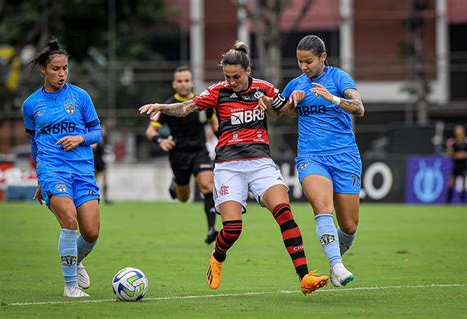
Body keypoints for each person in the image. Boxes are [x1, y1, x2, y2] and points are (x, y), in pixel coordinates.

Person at [140, 41, 329, 295]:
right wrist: (161, 107)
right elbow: (187, 108)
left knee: (284, 212)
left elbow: (285, 112)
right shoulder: (218, 91)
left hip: (260, 162)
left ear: (248, 71)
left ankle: (304, 276)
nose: (231, 81)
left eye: (236, 77)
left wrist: (277, 103)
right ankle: (217, 257)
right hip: (229, 166)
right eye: (227, 76)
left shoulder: (264, 88)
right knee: (232, 229)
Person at [259, 35, 365, 287]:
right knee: (322, 206)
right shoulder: (296, 84)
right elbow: (279, 113)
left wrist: (333, 98)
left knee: (349, 226)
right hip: (311, 156)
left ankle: (334, 258)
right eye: (300, 62)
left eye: (309, 61)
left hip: (345, 155)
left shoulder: (339, 78)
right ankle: (337, 268)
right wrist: (272, 104)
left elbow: (359, 108)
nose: (304, 67)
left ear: (323, 57)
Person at [22, 39, 102, 298]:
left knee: (91, 232)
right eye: (56, 69)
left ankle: (76, 261)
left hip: (82, 169)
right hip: (52, 169)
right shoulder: (31, 104)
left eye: (65, 68)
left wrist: (81, 138)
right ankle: (70, 286)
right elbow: (35, 143)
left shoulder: (80, 96)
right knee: (69, 220)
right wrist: (40, 178)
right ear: (43, 70)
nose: (62, 74)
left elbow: (97, 132)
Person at [145, 66, 219, 244]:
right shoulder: (167, 106)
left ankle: (211, 229)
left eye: (186, 80)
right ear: (174, 84)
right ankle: (175, 185)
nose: (183, 84)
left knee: (207, 186)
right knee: (183, 197)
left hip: (200, 151)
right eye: (180, 81)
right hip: (178, 155)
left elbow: (214, 125)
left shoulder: (203, 104)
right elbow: (150, 131)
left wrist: (225, 142)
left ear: (192, 82)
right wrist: (160, 141)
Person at [446, 124, 467, 203]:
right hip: (456, 166)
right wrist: (456, 155)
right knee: (451, 183)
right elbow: (450, 154)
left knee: (463, 185)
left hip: (464, 165)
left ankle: (462, 202)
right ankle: (448, 202)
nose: (458, 132)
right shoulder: (452, 142)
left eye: (460, 130)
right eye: (457, 130)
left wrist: (464, 154)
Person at [92, 118, 112, 204]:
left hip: (101, 162)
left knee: (105, 180)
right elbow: (93, 147)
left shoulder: (104, 140)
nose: (103, 131)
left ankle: (106, 197)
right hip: (95, 162)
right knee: (93, 181)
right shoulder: (96, 139)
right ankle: (93, 197)